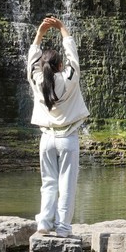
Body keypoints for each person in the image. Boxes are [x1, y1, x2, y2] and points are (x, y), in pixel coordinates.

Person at [26, 14, 89, 237]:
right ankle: (62, 229)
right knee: (67, 186)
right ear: (60, 65)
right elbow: (74, 57)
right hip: (68, 138)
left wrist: (40, 33)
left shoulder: (37, 80)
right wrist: (62, 28)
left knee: (49, 183)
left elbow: (32, 60)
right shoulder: (70, 77)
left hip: (47, 138)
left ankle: (43, 224)